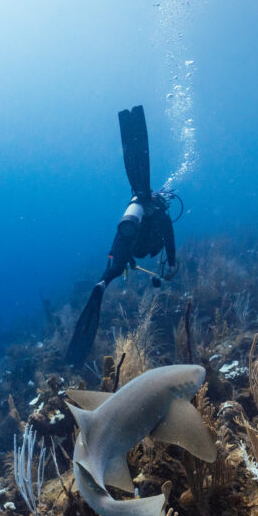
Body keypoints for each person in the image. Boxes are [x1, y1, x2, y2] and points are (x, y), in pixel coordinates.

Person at [65, 105, 179, 367]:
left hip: (129, 242)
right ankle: (105, 279)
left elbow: (119, 244)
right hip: (138, 243)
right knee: (125, 256)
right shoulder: (161, 216)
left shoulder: (138, 215)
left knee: (114, 268)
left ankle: (101, 284)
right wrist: (172, 262)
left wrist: (107, 275)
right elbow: (169, 239)